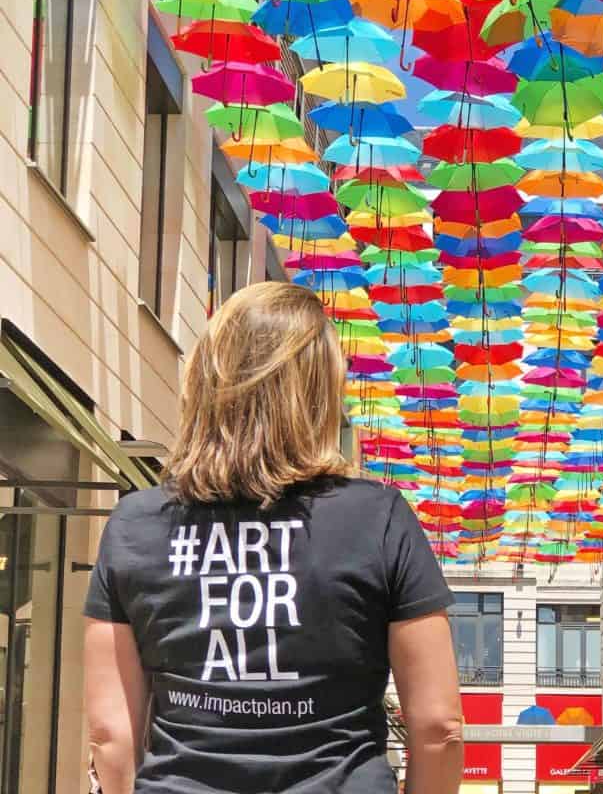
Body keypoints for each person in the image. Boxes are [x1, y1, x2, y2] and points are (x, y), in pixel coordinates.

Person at [83, 282, 464, 794]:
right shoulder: (378, 518)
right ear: (321, 392)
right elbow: (439, 728)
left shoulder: (135, 523)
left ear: (205, 379)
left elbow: (110, 734)